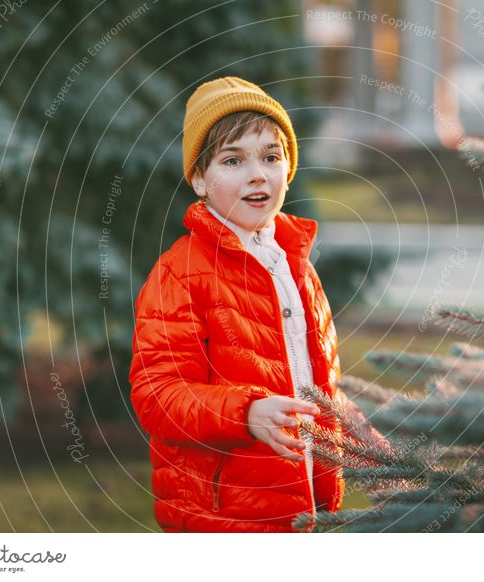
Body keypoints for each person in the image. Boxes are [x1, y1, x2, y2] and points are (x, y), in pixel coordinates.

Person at [129, 76, 345, 532]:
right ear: (200, 180)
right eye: (233, 160)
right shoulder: (180, 272)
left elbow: (317, 379)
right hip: (224, 516)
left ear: (288, 169)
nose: (257, 173)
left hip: (307, 504)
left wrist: (353, 432)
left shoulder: (296, 265)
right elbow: (158, 397)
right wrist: (245, 412)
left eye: (271, 156)